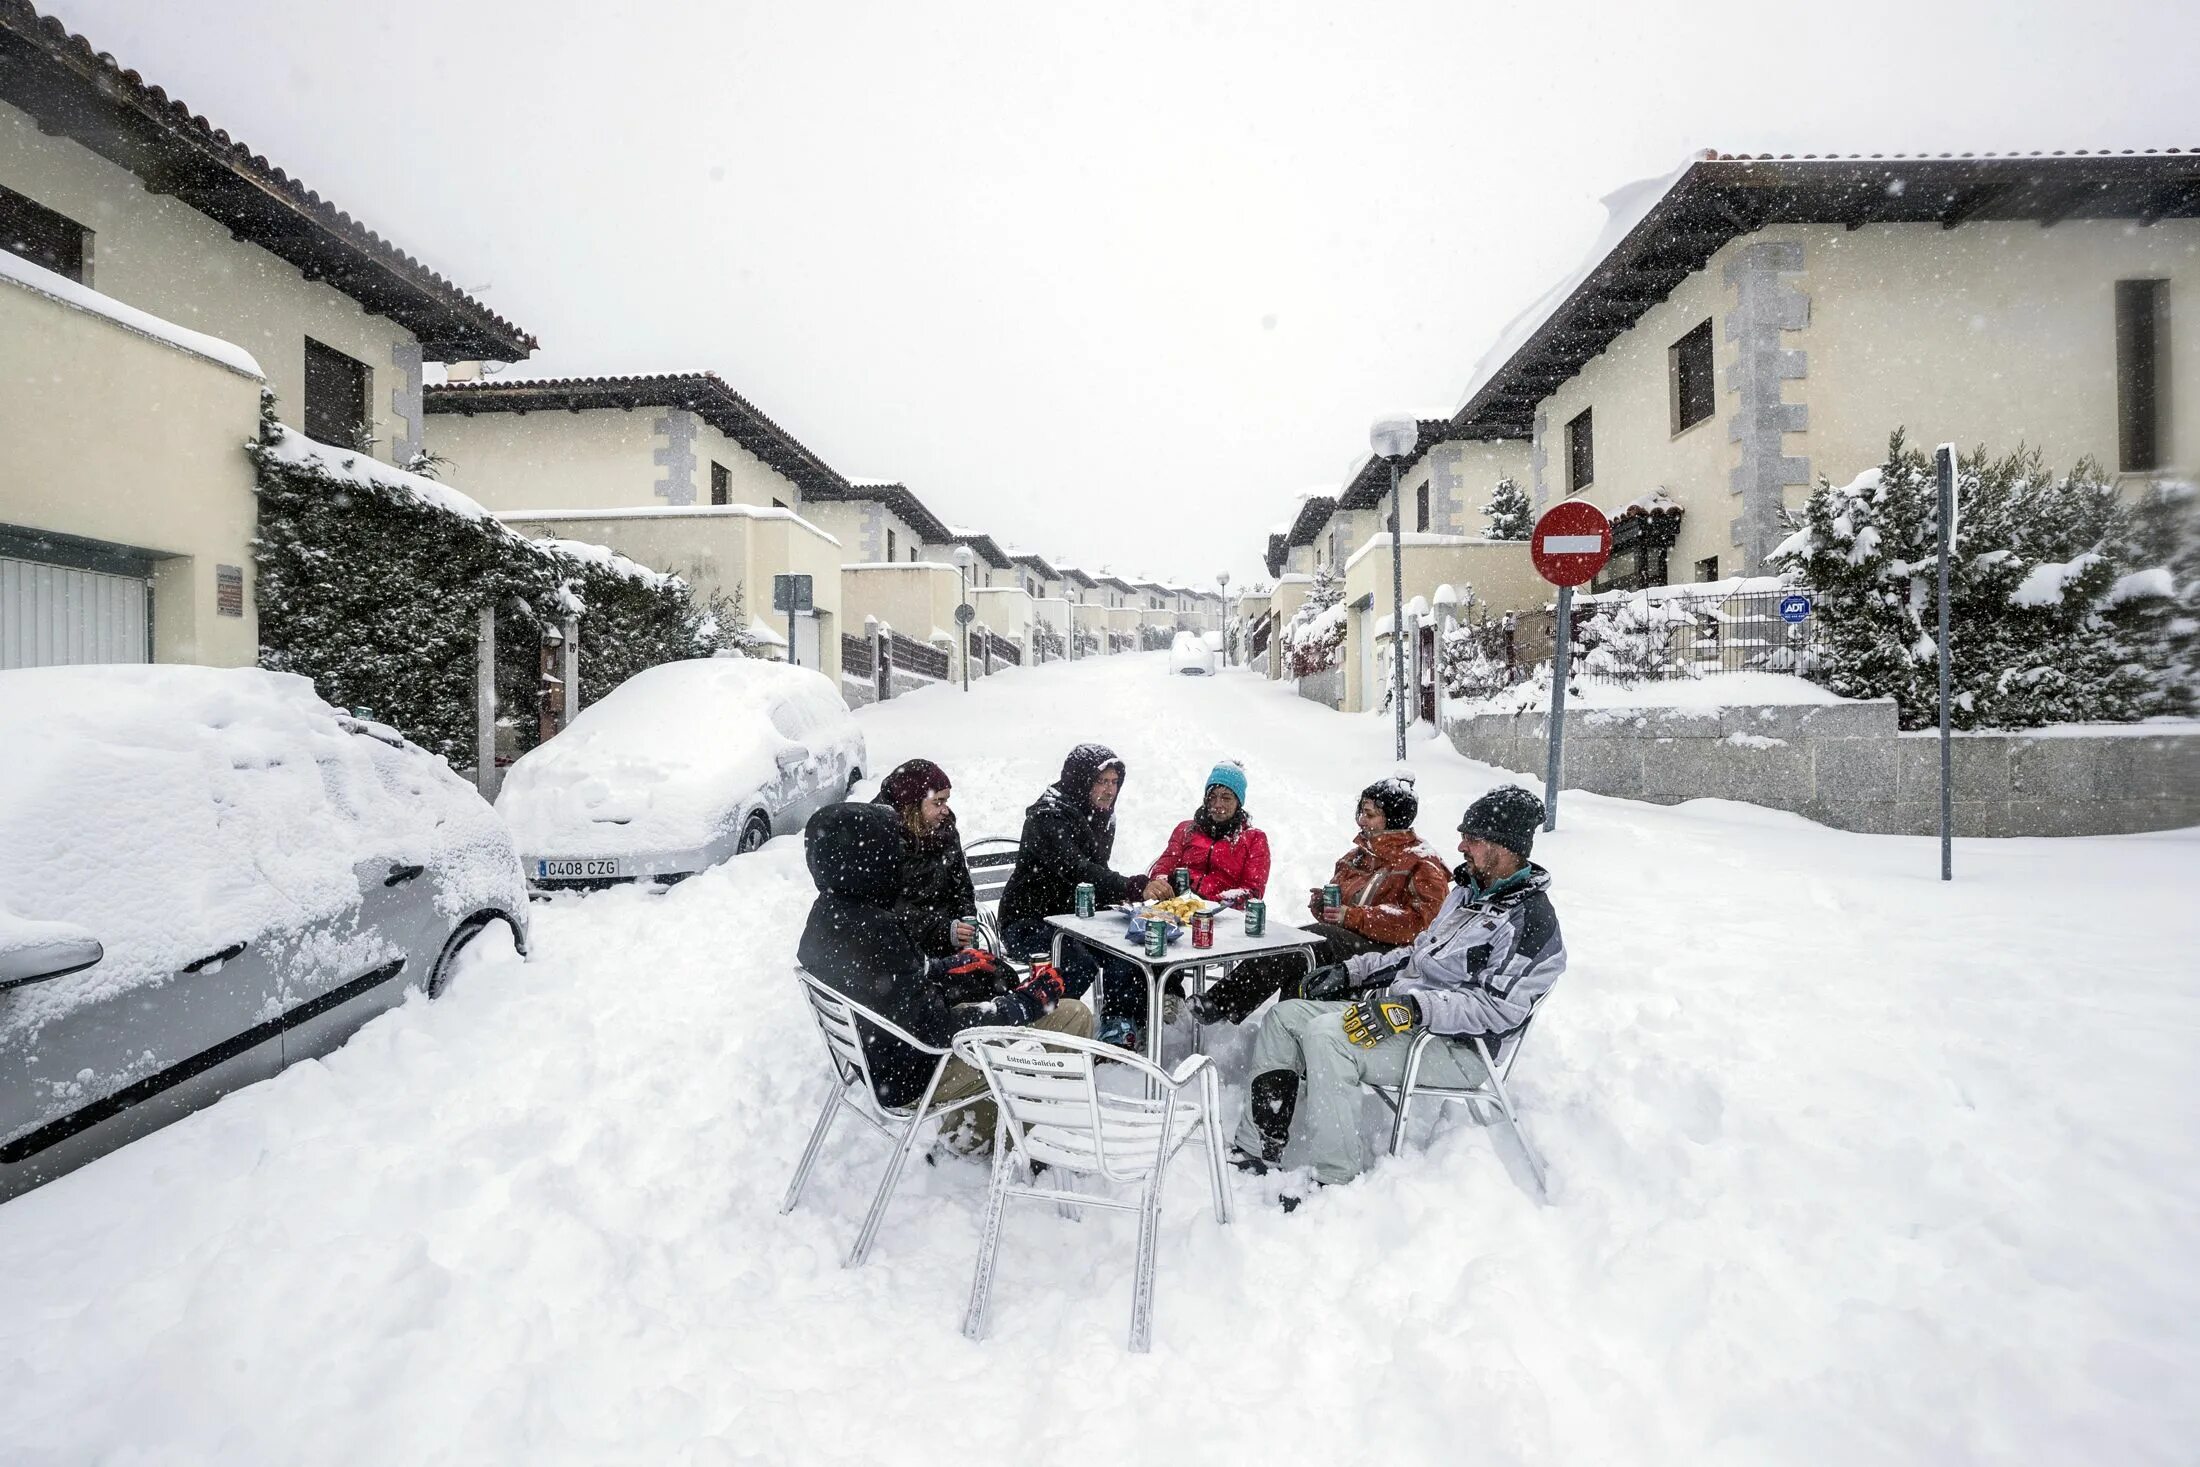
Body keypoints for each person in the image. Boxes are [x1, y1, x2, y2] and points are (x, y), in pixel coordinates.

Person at [1229, 785, 1565, 1201]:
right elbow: (1417, 956)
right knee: (1286, 1017)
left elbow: (1498, 1011)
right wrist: (1350, 972)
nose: (1461, 845)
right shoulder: (1467, 893)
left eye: (1473, 839)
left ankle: (1335, 1178)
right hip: (1406, 1021)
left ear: (1506, 847)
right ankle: (1260, 1142)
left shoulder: (1531, 923)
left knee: (1329, 1037)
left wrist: (1415, 1007)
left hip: (1458, 1050)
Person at [797, 801, 1091, 1148]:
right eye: (892, 853)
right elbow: (936, 1030)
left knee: (990, 980)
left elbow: (895, 984)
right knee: (1072, 1016)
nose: (899, 863)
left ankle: (975, 1127)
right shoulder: (876, 930)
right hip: (914, 1072)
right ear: (869, 861)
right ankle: (1011, 1139)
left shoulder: (829, 915)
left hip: (879, 1059)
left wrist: (951, 967)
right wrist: (1025, 1003)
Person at [1189, 774, 1449, 1025]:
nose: (1361, 821)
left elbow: (1423, 925)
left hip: (1389, 953)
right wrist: (1324, 905)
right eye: (1361, 813)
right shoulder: (1358, 856)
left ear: (1393, 819)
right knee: (1301, 959)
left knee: (1309, 943)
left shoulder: (1422, 861)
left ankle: (1223, 1002)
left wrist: (1353, 916)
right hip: (1346, 940)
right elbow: (1337, 906)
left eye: (1369, 815)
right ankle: (1284, 1040)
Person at [996, 743, 1152, 1045]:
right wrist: (1129, 885)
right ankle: (1042, 1029)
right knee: (1077, 962)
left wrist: (1116, 898)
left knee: (1128, 949)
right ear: (1081, 780)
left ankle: (1118, 1028)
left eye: (1114, 782)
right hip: (1028, 921)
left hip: (1074, 919)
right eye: (1101, 781)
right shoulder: (1049, 816)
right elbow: (1075, 868)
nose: (1109, 790)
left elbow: (1093, 871)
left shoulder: (1099, 813)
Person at [875, 758, 979, 958]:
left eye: (946, 801)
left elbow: (962, 885)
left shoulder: (945, 832)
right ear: (911, 806)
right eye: (937, 802)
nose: (945, 810)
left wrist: (966, 923)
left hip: (950, 945)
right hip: (906, 954)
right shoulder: (884, 840)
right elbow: (890, 909)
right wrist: (944, 931)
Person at [1142, 759, 1270, 904]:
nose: (1218, 804)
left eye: (1226, 798)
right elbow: (1163, 867)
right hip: (1176, 909)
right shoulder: (1185, 830)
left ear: (1238, 803)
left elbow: (1252, 892)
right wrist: (1160, 885)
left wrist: (1206, 902)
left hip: (1224, 918)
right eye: (1212, 797)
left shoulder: (1254, 839)